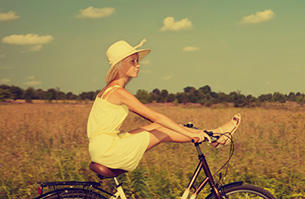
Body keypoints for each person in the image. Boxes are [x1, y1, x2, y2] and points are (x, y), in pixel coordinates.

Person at [87, 38, 240, 172]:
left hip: (102, 146)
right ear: (120, 66)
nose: (138, 65)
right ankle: (216, 135)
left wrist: (182, 128)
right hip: (108, 150)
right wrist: (190, 133)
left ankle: (214, 135)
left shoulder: (108, 90)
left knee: (155, 128)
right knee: (161, 132)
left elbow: (153, 123)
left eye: (137, 61)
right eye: (132, 61)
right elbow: (156, 117)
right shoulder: (118, 92)